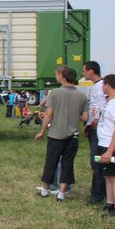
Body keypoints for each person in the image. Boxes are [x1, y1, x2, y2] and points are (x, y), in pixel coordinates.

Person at [34, 66, 89, 201]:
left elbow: (49, 114)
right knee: (67, 164)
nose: (55, 77)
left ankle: (45, 190)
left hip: (55, 134)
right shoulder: (82, 96)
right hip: (73, 136)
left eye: (56, 75)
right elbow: (85, 117)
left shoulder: (54, 93)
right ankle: (61, 193)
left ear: (63, 77)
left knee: (51, 162)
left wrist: (42, 131)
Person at [83, 61, 107, 204]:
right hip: (92, 128)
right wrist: (87, 125)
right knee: (95, 161)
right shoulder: (94, 87)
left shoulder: (102, 86)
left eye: (84, 71)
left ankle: (98, 195)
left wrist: (95, 121)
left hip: (99, 129)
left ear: (91, 71)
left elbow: (101, 107)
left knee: (97, 160)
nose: (83, 74)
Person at [97, 74, 115, 216]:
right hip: (103, 143)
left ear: (108, 85)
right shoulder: (110, 102)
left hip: (112, 146)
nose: (102, 88)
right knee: (107, 175)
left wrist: (110, 151)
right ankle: (110, 203)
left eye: (103, 85)